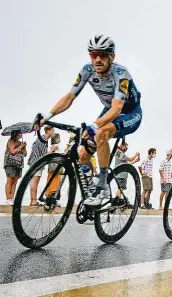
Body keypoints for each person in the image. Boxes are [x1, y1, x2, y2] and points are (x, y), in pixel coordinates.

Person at [39, 34, 142, 207]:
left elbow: (117, 108)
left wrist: (95, 125)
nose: (98, 59)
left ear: (112, 56)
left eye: (103, 55)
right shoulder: (87, 70)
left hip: (129, 112)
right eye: (94, 55)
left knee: (101, 132)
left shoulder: (121, 73)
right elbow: (69, 97)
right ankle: (90, 188)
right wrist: (47, 116)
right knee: (83, 154)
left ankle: (103, 187)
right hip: (109, 110)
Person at [28, 126, 54, 206]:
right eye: (52, 131)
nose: (53, 132)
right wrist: (52, 150)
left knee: (35, 182)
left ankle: (33, 200)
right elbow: (44, 154)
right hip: (36, 163)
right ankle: (33, 201)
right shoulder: (43, 139)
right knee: (35, 182)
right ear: (48, 131)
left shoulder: (43, 139)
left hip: (35, 162)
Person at [4, 130, 27, 205]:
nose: (20, 135)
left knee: (15, 182)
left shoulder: (20, 143)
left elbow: (25, 154)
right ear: (15, 134)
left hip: (18, 164)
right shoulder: (10, 141)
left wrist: (24, 147)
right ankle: (8, 198)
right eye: (18, 134)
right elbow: (13, 151)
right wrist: (21, 147)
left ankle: (12, 198)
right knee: (10, 180)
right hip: (10, 163)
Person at [45, 133, 63, 203]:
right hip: (55, 166)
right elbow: (50, 152)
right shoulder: (55, 145)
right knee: (55, 181)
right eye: (57, 138)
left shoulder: (52, 145)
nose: (58, 139)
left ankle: (49, 197)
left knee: (50, 180)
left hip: (52, 166)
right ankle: (52, 198)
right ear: (54, 138)